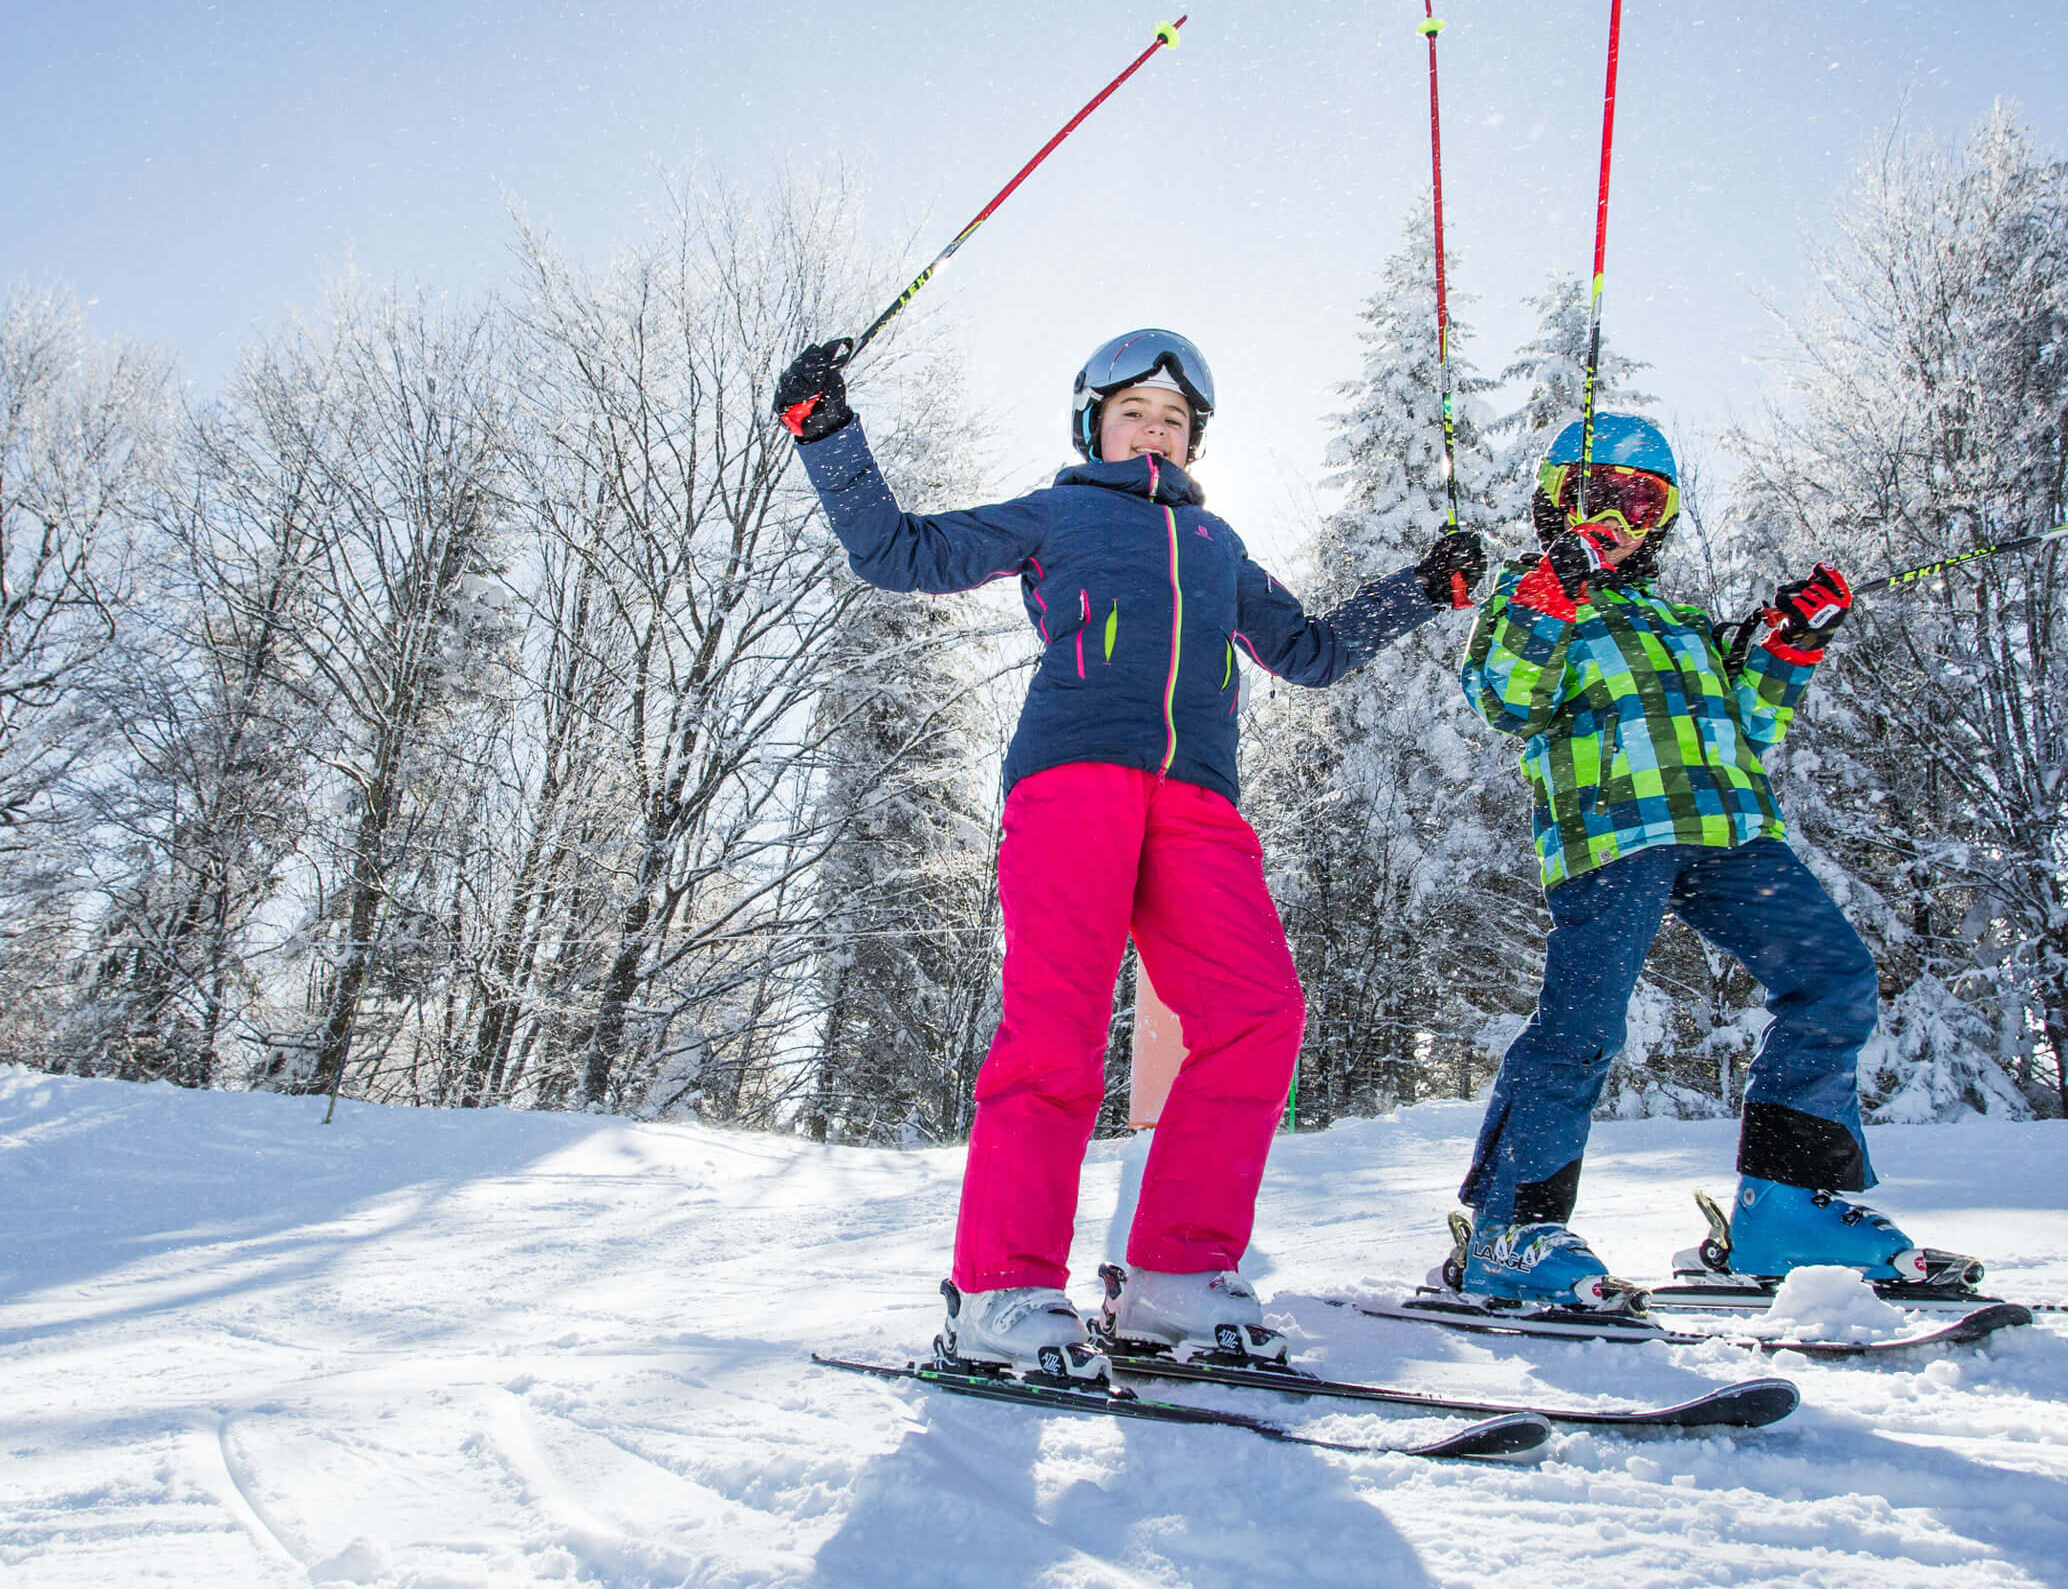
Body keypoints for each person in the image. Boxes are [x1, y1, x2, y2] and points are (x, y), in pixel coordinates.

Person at [774, 328, 1486, 1378]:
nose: (1156, 430)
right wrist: (826, 431)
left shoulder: (1220, 545)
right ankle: (1002, 1292)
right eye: (1134, 413)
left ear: (1195, 442)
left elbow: (1312, 651)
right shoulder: (1060, 513)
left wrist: (1424, 587)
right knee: (1055, 1033)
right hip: (1073, 780)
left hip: (1197, 796)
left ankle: (1175, 1280)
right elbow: (899, 552)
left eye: (1174, 419)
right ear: (1093, 427)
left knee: (1257, 1011)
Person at [1444, 410, 1932, 1308]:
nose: (1619, 520)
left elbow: (1746, 724)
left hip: (1729, 831)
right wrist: (1556, 588)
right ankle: (1511, 1229)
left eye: (1642, 502)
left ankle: (1781, 1209)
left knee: (1835, 977)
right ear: (1554, 504)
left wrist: (1791, 639)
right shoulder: (1531, 597)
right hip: (1615, 833)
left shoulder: (1682, 623)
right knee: (1584, 1024)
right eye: (1597, 498)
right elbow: (1509, 696)